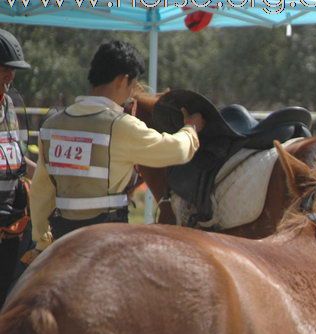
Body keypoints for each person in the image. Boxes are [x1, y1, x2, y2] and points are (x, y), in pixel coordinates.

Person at [25, 40, 205, 261]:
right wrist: (191, 129)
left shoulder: (52, 126)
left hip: (62, 240)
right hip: (107, 242)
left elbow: (41, 191)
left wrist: (42, 242)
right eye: (131, 86)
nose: (130, 95)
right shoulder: (121, 126)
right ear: (122, 79)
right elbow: (174, 150)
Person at [0, 29, 35, 303]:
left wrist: (49, 177)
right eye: (4, 69)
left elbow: (16, 160)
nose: (10, 77)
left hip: (10, 229)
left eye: (13, 71)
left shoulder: (10, 106)